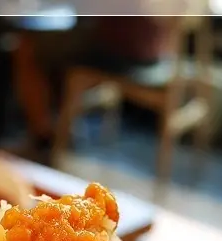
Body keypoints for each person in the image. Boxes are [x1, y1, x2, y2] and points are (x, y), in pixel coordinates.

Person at [11, 16, 175, 160]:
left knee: (28, 44)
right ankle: (59, 124)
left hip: (124, 48)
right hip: (158, 50)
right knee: (62, 39)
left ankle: (43, 136)